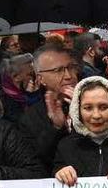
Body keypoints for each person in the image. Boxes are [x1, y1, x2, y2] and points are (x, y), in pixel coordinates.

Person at [53, 76, 108, 185]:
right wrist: (60, 173)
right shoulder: (66, 147)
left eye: (103, 107)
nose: (96, 115)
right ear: (77, 110)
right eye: (88, 108)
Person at [19, 44, 80, 175]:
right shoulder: (31, 117)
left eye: (70, 67)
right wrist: (56, 128)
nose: (69, 75)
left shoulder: (97, 101)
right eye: (58, 70)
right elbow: (36, 161)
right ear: (41, 79)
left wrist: (83, 108)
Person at [0, 53, 42, 122]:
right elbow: (29, 124)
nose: (36, 78)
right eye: (31, 74)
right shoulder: (6, 103)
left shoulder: (39, 90)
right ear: (16, 77)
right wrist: (33, 98)